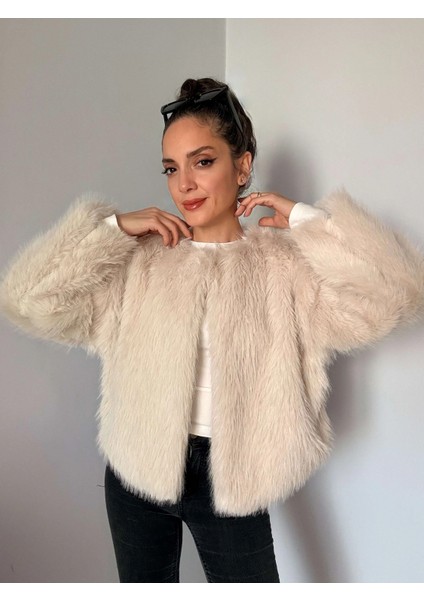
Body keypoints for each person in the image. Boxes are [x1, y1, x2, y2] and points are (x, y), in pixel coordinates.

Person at [1, 77, 424, 584]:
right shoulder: (142, 262)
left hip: (234, 479)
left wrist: (308, 221)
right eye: (171, 168)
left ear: (242, 166)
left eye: (202, 162)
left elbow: (396, 294)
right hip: (138, 470)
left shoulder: (285, 267)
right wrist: (111, 230)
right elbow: (27, 300)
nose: (184, 184)